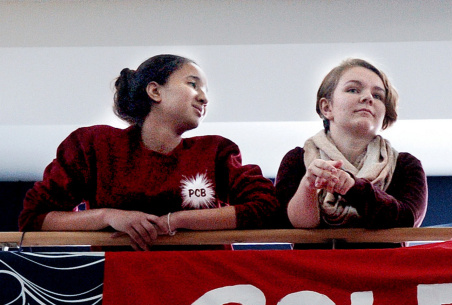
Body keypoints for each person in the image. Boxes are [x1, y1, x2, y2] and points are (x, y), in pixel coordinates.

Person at [19, 54, 279, 250]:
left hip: (204, 292)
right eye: (193, 84)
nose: (204, 98)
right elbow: (35, 218)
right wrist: (109, 216)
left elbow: (266, 208)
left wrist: (174, 221)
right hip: (120, 289)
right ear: (155, 91)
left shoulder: (216, 151)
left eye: (206, 91)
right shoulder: (93, 145)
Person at [275, 58, 427, 235]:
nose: (368, 98)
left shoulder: (406, 165)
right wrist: (309, 184)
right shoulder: (296, 160)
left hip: (382, 263)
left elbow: (407, 219)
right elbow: (286, 223)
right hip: (313, 263)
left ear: (385, 114)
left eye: (377, 96)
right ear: (326, 107)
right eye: (353, 89)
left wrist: (353, 188)